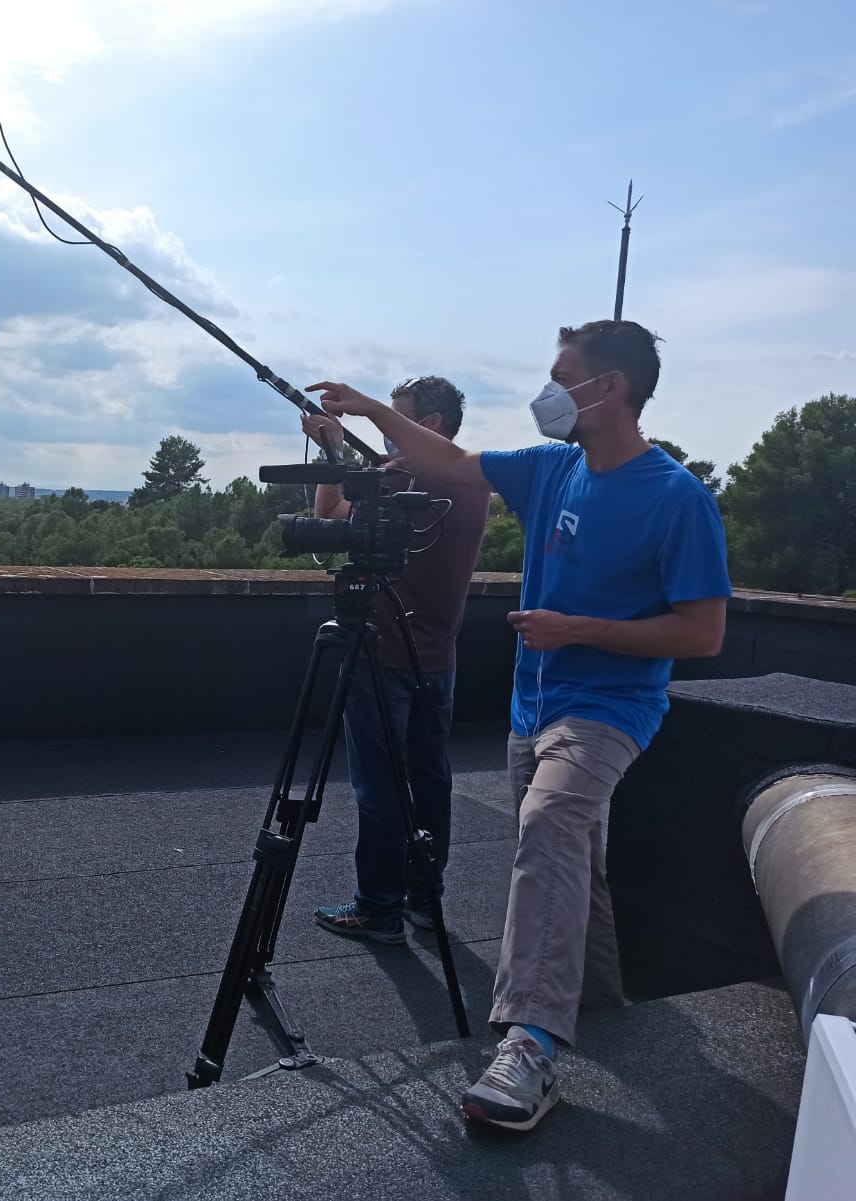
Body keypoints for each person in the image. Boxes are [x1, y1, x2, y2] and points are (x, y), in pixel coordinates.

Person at [309, 320, 730, 1132]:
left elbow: (703, 632)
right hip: (533, 708)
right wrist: (367, 414)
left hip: (610, 708)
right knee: (576, 857)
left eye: (560, 374)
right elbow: (446, 459)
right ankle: (604, 1013)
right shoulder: (551, 469)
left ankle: (530, 1044)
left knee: (549, 820)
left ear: (607, 389)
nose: (547, 389)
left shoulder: (679, 498)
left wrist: (580, 630)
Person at [299, 377, 490, 947]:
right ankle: (425, 898)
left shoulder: (401, 480)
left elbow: (330, 517)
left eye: (393, 418)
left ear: (428, 425)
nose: (382, 432)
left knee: (379, 783)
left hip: (382, 652)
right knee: (431, 779)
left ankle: (377, 906)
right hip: (439, 655)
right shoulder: (475, 480)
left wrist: (335, 452)